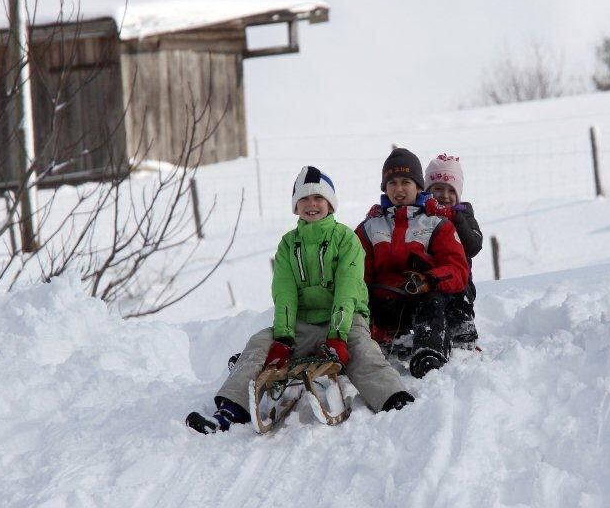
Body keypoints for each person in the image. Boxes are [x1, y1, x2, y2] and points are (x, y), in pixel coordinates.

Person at [186, 165, 414, 434]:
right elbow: (284, 292)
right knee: (259, 342)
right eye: (304, 199)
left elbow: (348, 288)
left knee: (363, 350)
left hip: (345, 319)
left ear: (330, 204)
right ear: (295, 208)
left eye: (318, 198)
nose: (312, 204)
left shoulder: (346, 239)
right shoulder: (288, 245)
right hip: (303, 323)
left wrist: (338, 335)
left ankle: (394, 400)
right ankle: (229, 411)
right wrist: (283, 337)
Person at [357, 147, 469, 378]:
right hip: (381, 301)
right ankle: (361, 352)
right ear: (384, 188)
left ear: (419, 186)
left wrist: (430, 279)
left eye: (405, 182)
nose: (398, 189)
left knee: (434, 300)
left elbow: (457, 268)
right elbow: (358, 272)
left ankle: (428, 354)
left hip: (418, 299)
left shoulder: (436, 224)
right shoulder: (369, 227)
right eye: (392, 183)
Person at [423, 153, 483, 346]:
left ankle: (462, 327)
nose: (445, 195)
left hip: (459, 280)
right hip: (430, 277)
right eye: (438, 189)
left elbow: (474, 246)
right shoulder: (421, 213)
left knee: (459, 298)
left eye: (451, 190)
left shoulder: (464, 215)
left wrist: (454, 218)